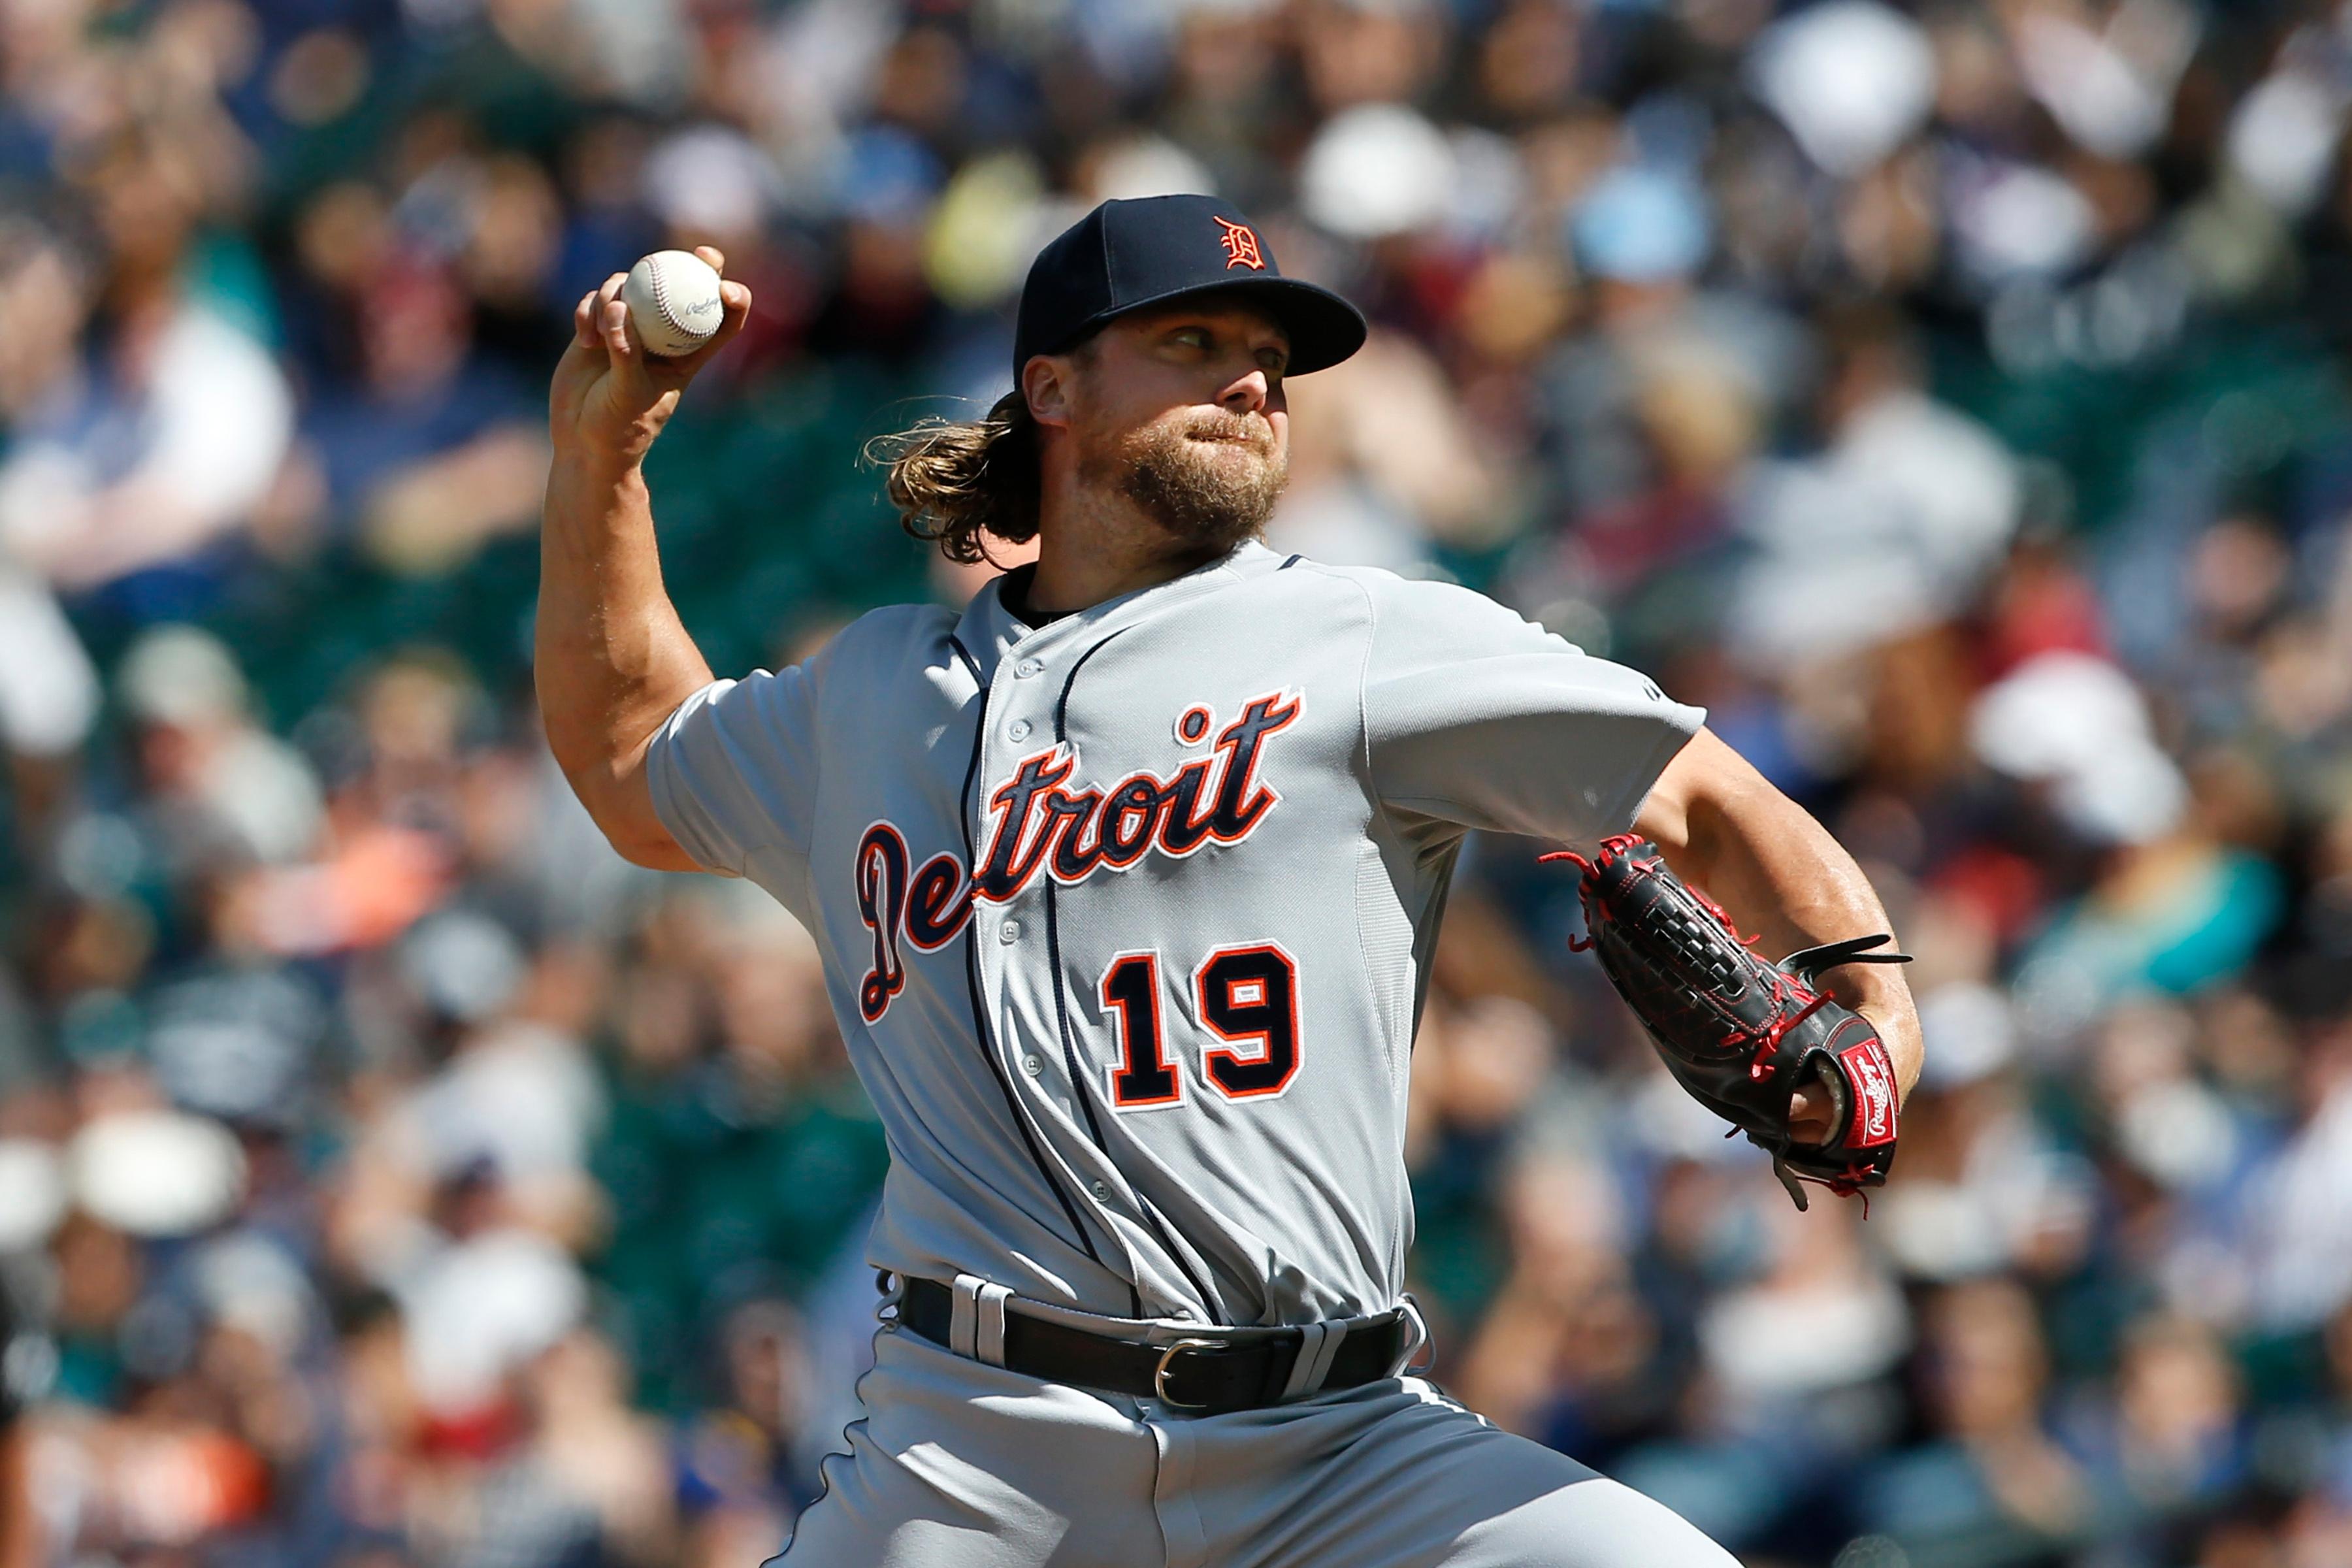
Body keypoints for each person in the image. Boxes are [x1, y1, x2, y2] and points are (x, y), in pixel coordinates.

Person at [536, 195, 1924, 1567]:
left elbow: (1701, 792)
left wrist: (1878, 1010)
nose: (1255, 380)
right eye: (1194, 341)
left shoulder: (1367, 636)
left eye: (1270, 355)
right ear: (1052, 386)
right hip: (985, 1454)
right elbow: (630, 757)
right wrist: (604, 455)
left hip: (1342, 1449)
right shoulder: (870, 701)